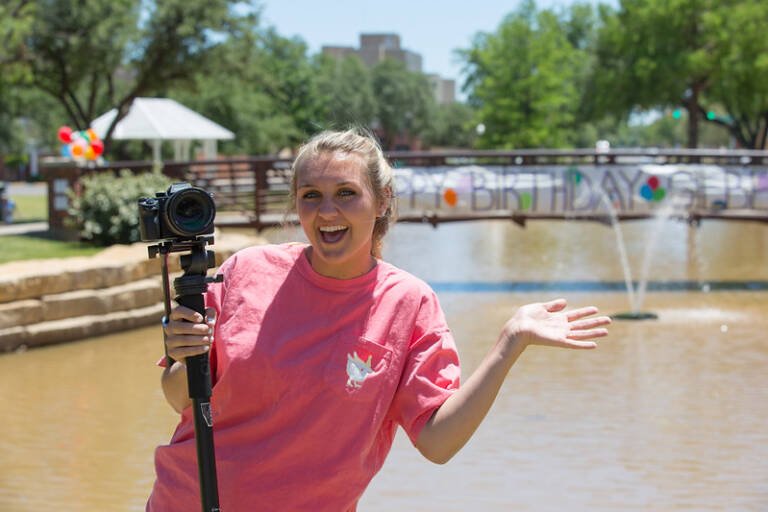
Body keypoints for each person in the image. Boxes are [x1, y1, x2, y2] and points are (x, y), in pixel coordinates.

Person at [146, 129, 611, 511]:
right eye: (312, 196)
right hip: (188, 501)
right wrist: (182, 355)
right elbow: (180, 398)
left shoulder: (408, 303)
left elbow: (437, 442)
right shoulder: (246, 271)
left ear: (383, 200)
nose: (327, 212)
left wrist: (509, 344)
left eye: (346, 193)